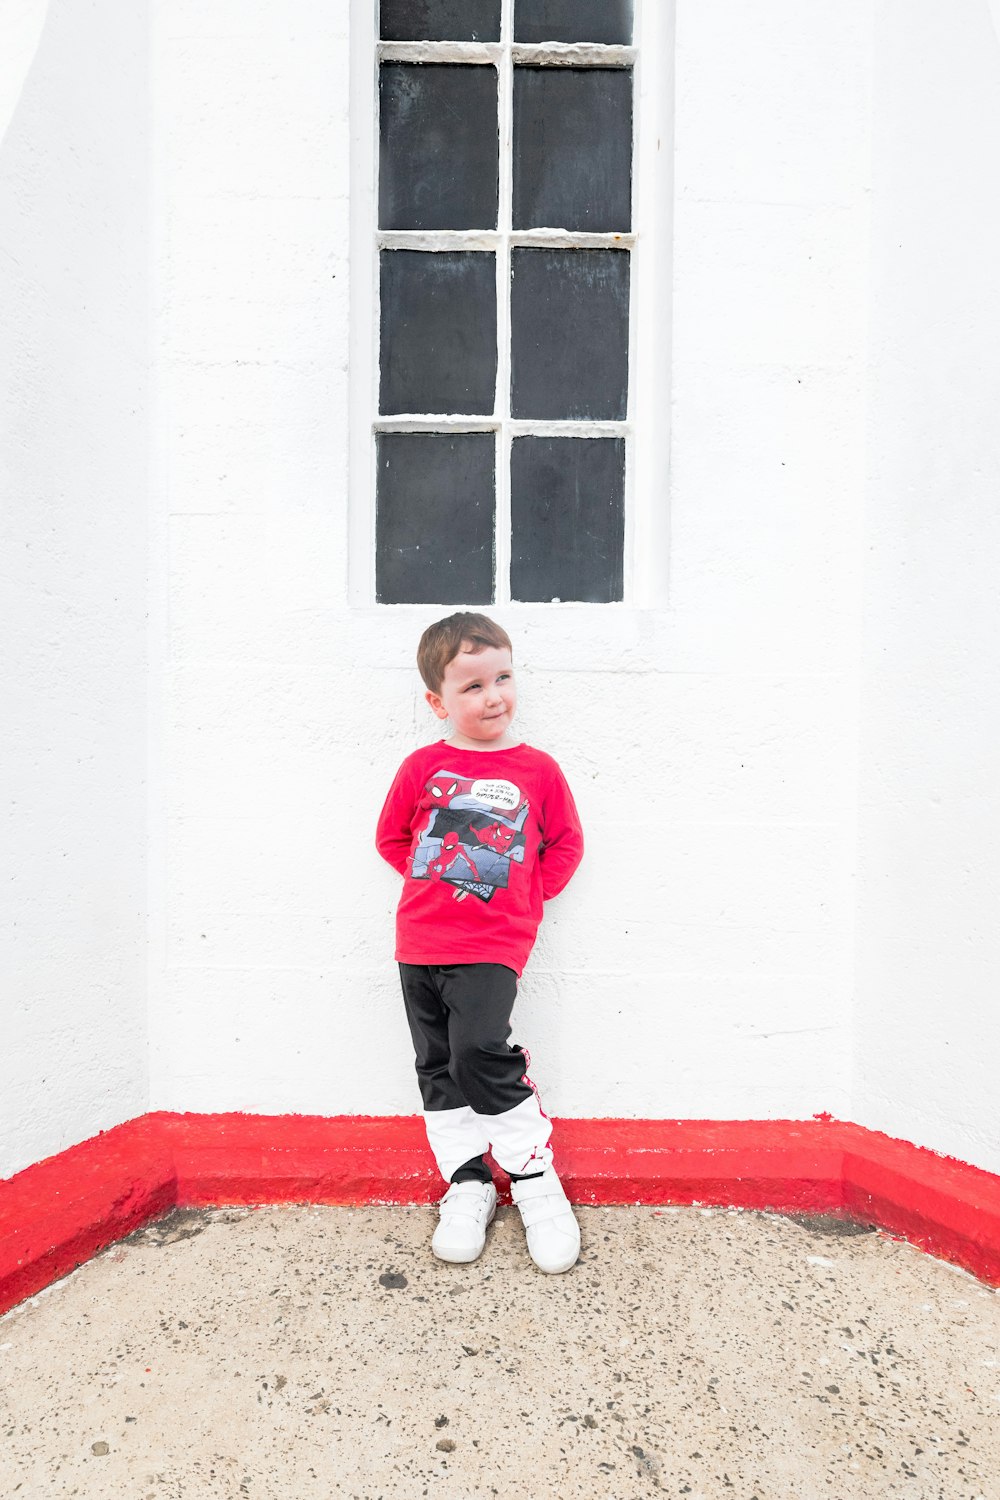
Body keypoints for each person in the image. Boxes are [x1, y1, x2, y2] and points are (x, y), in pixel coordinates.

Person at [375, 612, 584, 1273]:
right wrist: (448, 876)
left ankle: (533, 1180)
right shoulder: (424, 767)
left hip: (493, 942)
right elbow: (392, 839)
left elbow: (566, 844)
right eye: (472, 686)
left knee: (478, 1053)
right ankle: (468, 1181)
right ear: (437, 701)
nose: (493, 696)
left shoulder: (537, 771)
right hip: (420, 939)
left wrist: (521, 897)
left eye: (503, 677)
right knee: (437, 1063)